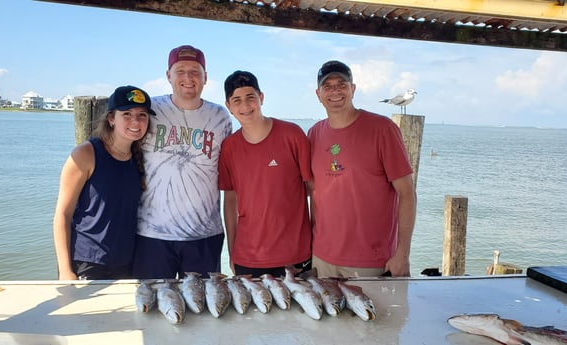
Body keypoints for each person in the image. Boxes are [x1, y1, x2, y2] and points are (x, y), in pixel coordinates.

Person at [308, 60, 417, 278]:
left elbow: (407, 193)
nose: (335, 91)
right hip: (321, 259)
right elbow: (314, 194)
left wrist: (402, 254)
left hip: (371, 261)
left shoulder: (383, 129)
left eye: (342, 84)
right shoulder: (313, 134)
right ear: (318, 94)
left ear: (353, 89)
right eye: (327, 86)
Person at [133, 45, 233, 279]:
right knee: (154, 306)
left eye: (195, 71)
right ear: (168, 75)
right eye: (180, 71)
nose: (188, 78)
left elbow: (231, 169)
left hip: (204, 234)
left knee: (206, 309)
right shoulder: (150, 110)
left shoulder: (220, 116)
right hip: (152, 234)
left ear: (206, 78)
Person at [218, 70, 312, 278]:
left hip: (295, 256)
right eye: (237, 100)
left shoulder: (292, 134)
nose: (244, 106)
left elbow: (312, 191)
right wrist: (233, 250)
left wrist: (318, 243)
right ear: (229, 106)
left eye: (250, 97)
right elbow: (230, 200)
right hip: (247, 257)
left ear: (261, 98)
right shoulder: (229, 148)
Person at [53, 85, 153, 280]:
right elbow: (62, 216)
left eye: (142, 115)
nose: (136, 121)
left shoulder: (139, 157)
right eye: (127, 114)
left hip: (126, 263)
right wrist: (66, 272)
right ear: (111, 118)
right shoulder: (86, 154)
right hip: (87, 261)